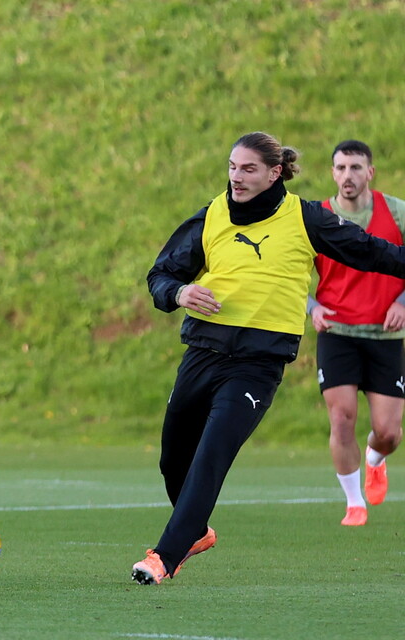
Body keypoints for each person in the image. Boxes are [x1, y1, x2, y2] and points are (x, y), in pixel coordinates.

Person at [137, 131, 405, 586]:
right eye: (232, 167)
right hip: (203, 352)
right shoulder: (212, 214)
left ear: (274, 173)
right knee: (172, 459)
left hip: (257, 365)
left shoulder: (304, 217)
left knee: (212, 453)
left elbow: (368, 250)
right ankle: (196, 533)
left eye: (249, 169)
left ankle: (164, 556)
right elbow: (161, 273)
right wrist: (180, 292)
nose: (236, 177)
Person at [308, 140, 404, 526]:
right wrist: (312, 307)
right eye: (341, 167)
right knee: (342, 417)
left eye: (356, 167)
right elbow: (288, 273)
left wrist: (402, 302)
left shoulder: (396, 212)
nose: (348, 175)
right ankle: (354, 503)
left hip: (386, 335)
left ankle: (375, 458)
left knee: (389, 432)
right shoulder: (317, 218)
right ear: (333, 173)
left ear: (370, 172)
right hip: (337, 331)